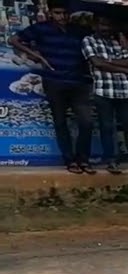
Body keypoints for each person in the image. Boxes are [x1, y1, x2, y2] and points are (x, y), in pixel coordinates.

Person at [11, 0, 93, 174]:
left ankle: (83, 159)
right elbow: (14, 40)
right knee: (60, 122)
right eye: (57, 13)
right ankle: (70, 160)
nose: (61, 17)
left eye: (64, 13)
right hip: (54, 81)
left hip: (79, 82)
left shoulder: (78, 31)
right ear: (50, 13)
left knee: (87, 122)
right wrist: (38, 57)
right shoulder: (41, 29)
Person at [81, 16, 128, 175]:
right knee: (107, 127)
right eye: (102, 24)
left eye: (108, 25)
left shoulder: (118, 42)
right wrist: (122, 67)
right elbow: (97, 63)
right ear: (95, 25)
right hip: (103, 90)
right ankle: (111, 161)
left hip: (126, 90)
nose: (106, 28)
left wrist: (108, 62)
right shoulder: (88, 41)